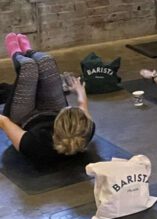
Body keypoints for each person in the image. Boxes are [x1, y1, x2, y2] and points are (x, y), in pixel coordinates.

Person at [0, 33, 94, 165]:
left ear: (56, 125)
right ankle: (27, 50)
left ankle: (16, 53)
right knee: (47, 61)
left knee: (29, 67)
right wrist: (79, 90)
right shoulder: (86, 130)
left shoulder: (34, 145)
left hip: (25, 118)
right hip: (50, 110)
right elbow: (82, 105)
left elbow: (3, 121)